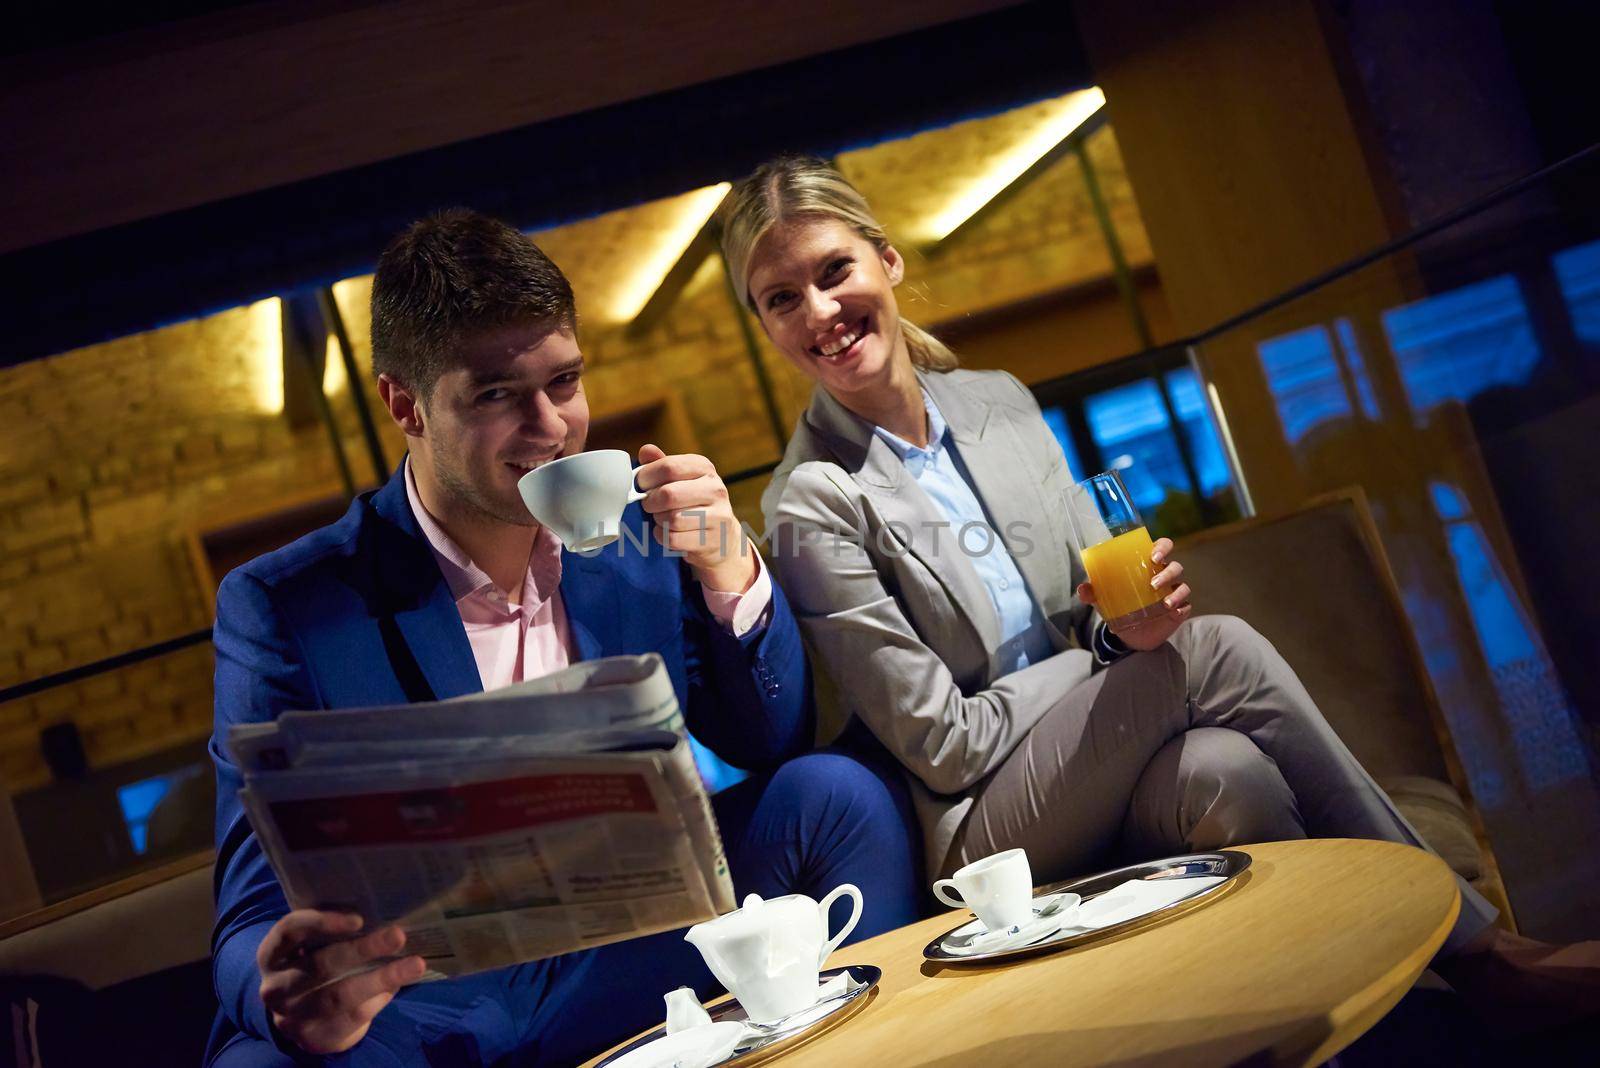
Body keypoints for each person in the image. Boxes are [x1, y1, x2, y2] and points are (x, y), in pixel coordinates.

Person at [721, 154, 1597, 1032]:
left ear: (887, 261)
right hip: (981, 825)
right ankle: (1477, 955)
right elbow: (944, 745)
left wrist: (1125, 624)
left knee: (1231, 774)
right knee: (1215, 650)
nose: (821, 312)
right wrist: (1107, 653)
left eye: (835, 271)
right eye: (781, 298)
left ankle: (1348, 1034)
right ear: (763, 325)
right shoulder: (811, 502)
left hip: (1105, 752)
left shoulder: (1002, 405)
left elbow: (1091, 595)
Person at [206, 208, 922, 1068]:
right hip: (431, 997)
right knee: (259, 1063)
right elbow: (249, 913)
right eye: (498, 395)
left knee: (834, 794)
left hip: (634, 940)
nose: (551, 427)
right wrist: (288, 997)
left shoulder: (636, 539)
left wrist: (736, 577)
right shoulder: (285, 605)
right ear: (407, 405)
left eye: (566, 382)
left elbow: (769, 741)